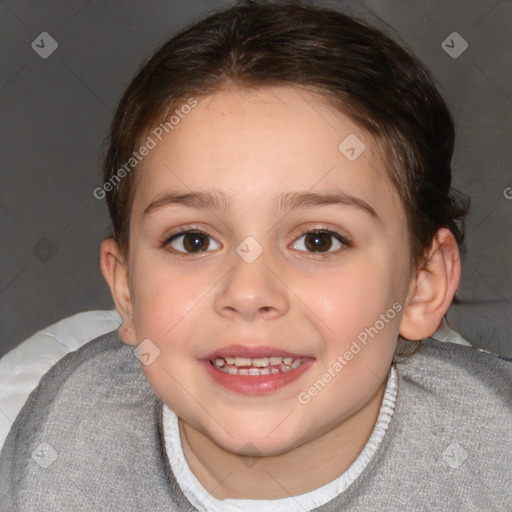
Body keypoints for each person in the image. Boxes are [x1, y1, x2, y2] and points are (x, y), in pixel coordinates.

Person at [1, 1, 510, 510]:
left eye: (319, 240)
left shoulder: (492, 453)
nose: (248, 293)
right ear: (127, 291)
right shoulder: (64, 435)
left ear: (422, 284)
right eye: (193, 241)